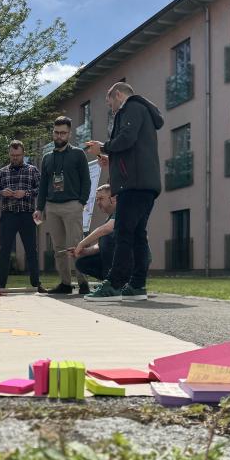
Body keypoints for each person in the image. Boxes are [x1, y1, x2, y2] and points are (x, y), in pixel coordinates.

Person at [85, 81, 163, 301]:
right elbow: (133, 149)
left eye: (109, 102)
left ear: (118, 95)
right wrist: (110, 159)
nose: (111, 108)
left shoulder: (131, 108)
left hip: (134, 186)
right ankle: (137, 285)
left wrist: (103, 146)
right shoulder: (141, 111)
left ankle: (114, 284)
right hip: (144, 184)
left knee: (123, 234)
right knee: (137, 235)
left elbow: (126, 138)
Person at [33, 116, 91, 295]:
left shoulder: (78, 154)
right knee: (58, 248)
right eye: (56, 132)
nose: (59, 136)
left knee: (77, 245)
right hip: (52, 207)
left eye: (63, 133)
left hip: (72, 205)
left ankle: (83, 283)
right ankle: (65, 284)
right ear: (53, 132)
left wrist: (81, 202)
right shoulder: (47, 158)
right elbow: (43, 185)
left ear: (69, 134)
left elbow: (86, 180)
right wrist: (39, 208)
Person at [0, 140, 46, 293]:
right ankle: (0, 285)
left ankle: (36, 284)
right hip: (8, 215)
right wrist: (2, 192)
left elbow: (41, 189)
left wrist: (26, 193)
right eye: (12, 155)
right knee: (4, 251)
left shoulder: (32, 170)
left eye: (18, 155)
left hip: (27, 215)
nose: (15, 158)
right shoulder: (2, 172)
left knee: (31, 250)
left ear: (23, 154)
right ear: (9, 154)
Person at [70, 184, 116, 283]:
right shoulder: (109, 217)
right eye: (97, 200)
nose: (98, 203)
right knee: (82, 263)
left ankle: (113, 283)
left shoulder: (121, 211)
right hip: (120, 257)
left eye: (101, 199)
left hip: (132, 257)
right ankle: (109, 281)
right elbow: (100, 246)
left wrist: (81, 244)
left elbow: (106, 229)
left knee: (106, 239)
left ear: (113, 198)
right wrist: (84, 251)